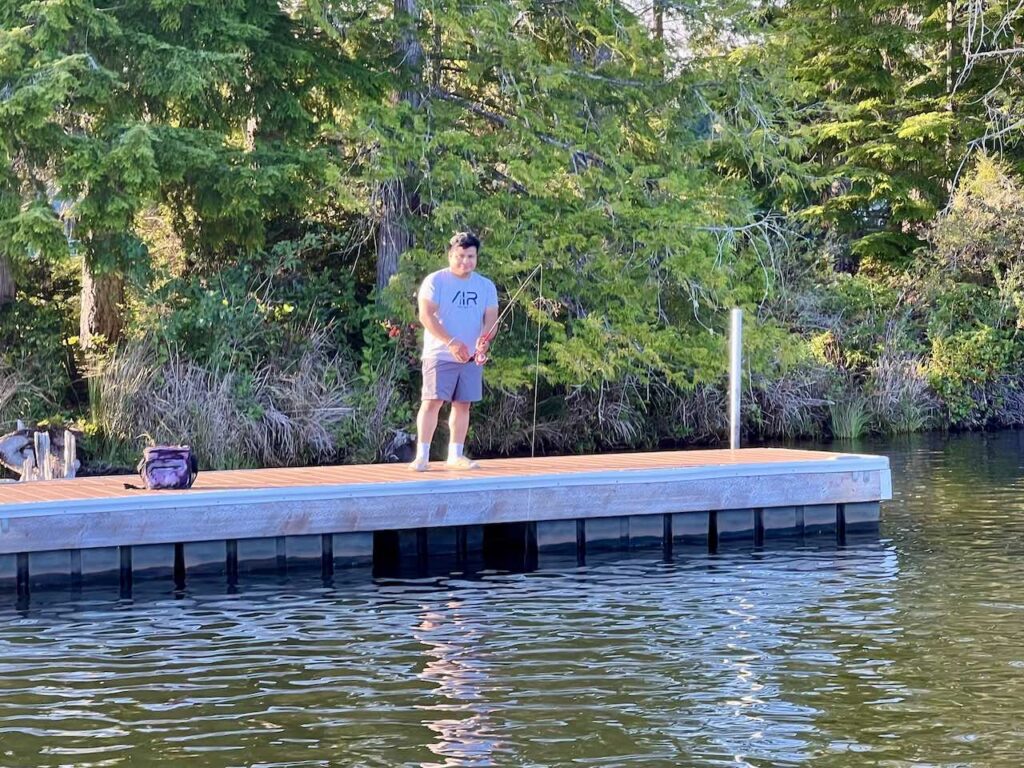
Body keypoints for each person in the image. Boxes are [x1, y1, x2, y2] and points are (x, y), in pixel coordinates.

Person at [409, 232, 498, 471]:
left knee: (463, 404)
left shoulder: (485, 286)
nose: (465, 261)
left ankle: (455, 455)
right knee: (432, 402)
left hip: (470, 357)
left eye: (471, 256)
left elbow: (491, 318)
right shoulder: (435, 281)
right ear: (450, 255)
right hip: (440, 354)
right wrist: (451, 342)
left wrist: (485, 339)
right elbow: (425, 316)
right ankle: (422, 457)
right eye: (460, 256)